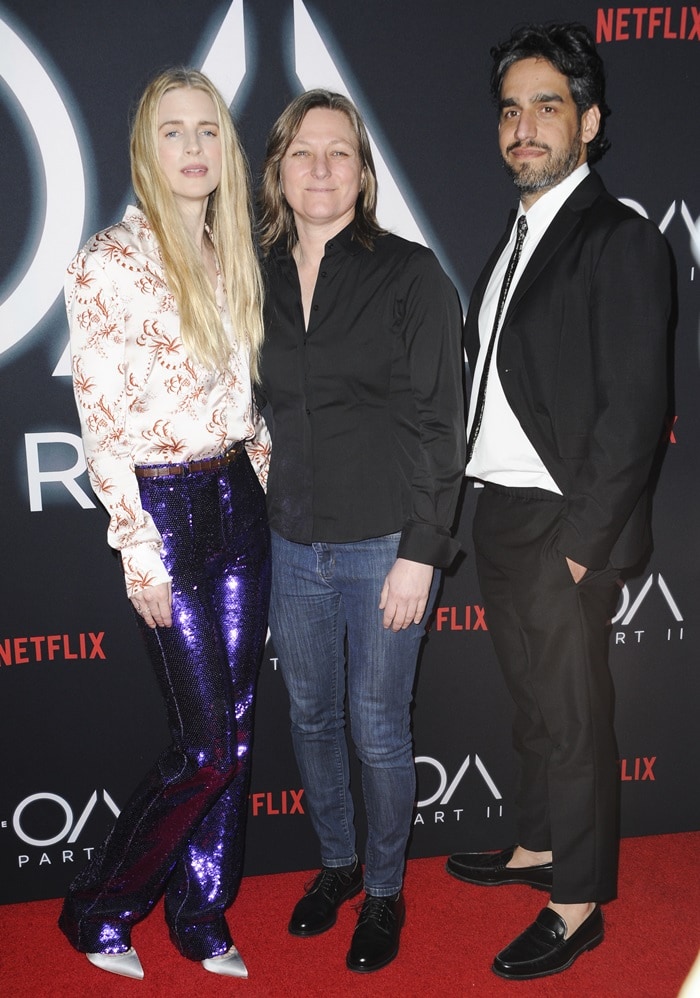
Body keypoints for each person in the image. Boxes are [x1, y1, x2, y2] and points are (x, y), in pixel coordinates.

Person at [446, 23, 672, 980]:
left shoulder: (618, 239)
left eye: (546, 106)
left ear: (589, 120)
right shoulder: (519, 231)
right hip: (500, 509)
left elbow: (636, 409)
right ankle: (537, 843)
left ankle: (577, 903)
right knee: (535, 708)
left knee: (574, 722)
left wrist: (580, 547)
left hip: (561, 525)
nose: (524, 126)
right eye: (510, 109)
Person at [58, 68, 271, 981]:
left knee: (242, 727)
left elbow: (240, 400)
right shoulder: (106, 261)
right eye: (174, 132)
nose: (193, 148)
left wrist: (259, 473)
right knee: (204, 744)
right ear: (148, 148)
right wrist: (137, 545)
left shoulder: (235, 251)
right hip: (166, 512)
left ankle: (200, 912)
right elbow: (101, 423)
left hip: (238, 499)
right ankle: (101, 906)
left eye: (208, 131)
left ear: (225, 148)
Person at [257, 90, 465, 973]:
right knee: (309, 714)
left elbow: (437, 426)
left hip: (385, 543)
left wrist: (423, 551)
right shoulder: (248, 271)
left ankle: (384, 891)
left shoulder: (410, 274)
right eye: (303, 152)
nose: (320, 168)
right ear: (277, 168)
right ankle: (336, 864)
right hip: (290, 541)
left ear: (364, 171)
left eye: (339, 152)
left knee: (377, 725)